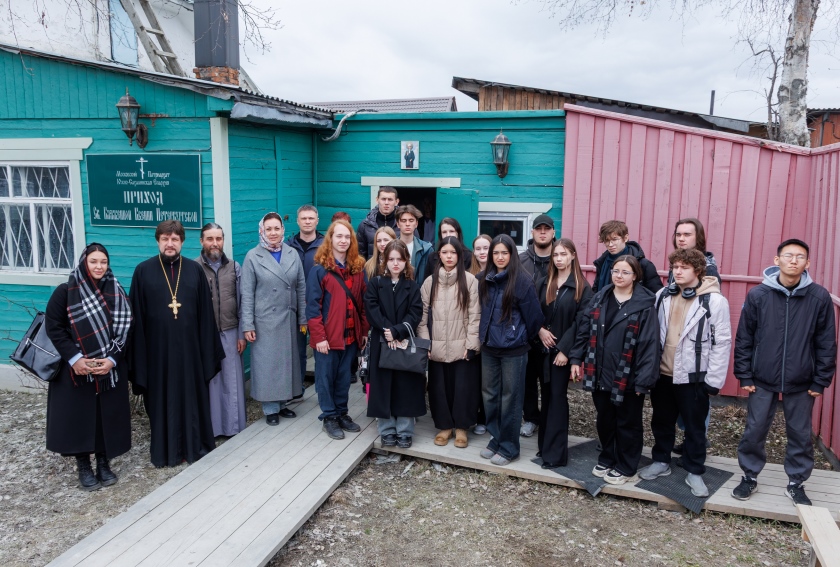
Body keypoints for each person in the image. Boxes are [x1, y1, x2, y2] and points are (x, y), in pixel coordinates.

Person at [732, 239, 836, 506]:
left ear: (807, 263)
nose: (794, 261)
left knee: (800, 433)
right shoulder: (758, 295)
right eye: (788, 256)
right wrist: (745, 374)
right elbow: (745, 337)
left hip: (802, 380)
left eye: (800, 257)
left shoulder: (818, 297)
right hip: (762, 378)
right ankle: (749, 476)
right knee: (754, 429)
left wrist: (820, 380)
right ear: (777, 260)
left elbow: (826, 342)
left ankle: (796, 483)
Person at [129, 220, 224, 467]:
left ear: (182, 242)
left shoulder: (194, 271)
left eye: (174, 239)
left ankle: (194, 448)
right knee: (162, 402)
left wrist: (206, 353)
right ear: (158, 241)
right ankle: (166, 452)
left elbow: (206, 316)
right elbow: (136, 317)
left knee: (192, 400)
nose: (169, 244)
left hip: (190, 352)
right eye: (165, 239)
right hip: (157, 354)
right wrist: (139, 358)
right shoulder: (143, 271)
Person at [638, 249, 732, 497]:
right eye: (675, 267)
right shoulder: (662, 295)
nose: (678, 272)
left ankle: (694, 470)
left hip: (694, 377)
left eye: (684, 267)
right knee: (661, 421)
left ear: (698, 270)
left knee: (695, 426)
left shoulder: (714, 301)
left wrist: (713, 380)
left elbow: (722, 342)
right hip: (663, 374)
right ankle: (661, 461)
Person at [44, 243, 132, 491]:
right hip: (77, 369)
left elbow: (126, 330)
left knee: (105, 417)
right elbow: (54, 327)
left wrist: (112, 359)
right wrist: (75, 359)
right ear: (84, 262)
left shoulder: (116, 291)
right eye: (93, 261)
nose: (99, 266)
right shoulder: (66, 291)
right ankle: (83, 466)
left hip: (108, 368)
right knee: (80, 417)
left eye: (103, 262)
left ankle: (103, 463)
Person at [570, 255, 659, 485]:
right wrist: (576, 358)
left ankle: (627, 466)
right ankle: (608, 457)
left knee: (628, 423)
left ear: (635, 276)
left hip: (628, 376)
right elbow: (584, 330)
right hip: (599, 371)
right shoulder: (600, 297)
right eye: (616, 271)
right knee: (605, 419)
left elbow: (649, 344)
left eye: (625, 272)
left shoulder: (644, 304)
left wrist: (644, 380)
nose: (619, 276)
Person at [478, 235, 544, 466]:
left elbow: (535, 319)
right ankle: (496, 438)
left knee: (511, 398)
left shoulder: (522, 281)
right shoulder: (484, 279)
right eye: (496, 253)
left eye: (504, 253)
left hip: (513, 350)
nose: (500, 257)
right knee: (490, 395)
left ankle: (509, 447)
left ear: (512, 254)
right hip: (489, 347)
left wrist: (517, 335)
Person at [241, 213, 307, 425]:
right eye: (268, 229)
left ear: (282, 230)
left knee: (286, 363)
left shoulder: (291, 253)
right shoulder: (253, 256)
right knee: (268, 365)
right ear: (262, 231)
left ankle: (283, 403)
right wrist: (247, 324)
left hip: (288, 318)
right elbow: (246, 294)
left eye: (276, 228)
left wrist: (303, 318)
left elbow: (301, 288)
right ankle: (270, 408)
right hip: (265, 321)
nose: (273, 233)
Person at [307, 220, 370, 440]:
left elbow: (364, 303)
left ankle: (342, 413)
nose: (343, 241)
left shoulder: (358, 269)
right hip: (327, 338)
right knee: (325, 378)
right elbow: (312, 308)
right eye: (339, 236)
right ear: (331, 239)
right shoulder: (319, 271)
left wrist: (363, 331)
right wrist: (319, 337)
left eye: (347, 237)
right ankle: (329, 417)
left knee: (344, 378)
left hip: (351, 336)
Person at [418, 237, 481, 448]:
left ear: (459, 255)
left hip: (461, 346)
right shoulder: (430, 282)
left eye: (453, 253)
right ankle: (444, 426)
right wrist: (425, 343)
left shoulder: (470, 281)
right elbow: (422, 317)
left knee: (463, 389)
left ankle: (462, 427)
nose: (449, 256)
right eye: (445, 252)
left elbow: (475, 316)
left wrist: (471, 345)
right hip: (436, 346)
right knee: (439, 389)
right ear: (439, 255)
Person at [536, 239, 592, 468]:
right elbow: (534, 311)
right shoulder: (544, 282)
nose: (559, 259)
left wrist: (566, 351)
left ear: (573, 256)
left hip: (561, 354)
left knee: (557, 399)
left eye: (563, 254)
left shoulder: (582, 287)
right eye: (555, 255)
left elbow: (582, 323)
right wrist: (539, 330)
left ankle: (555, 455)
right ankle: (544, 446)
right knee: (546, 397)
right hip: (542, 350)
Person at [365, 240, 426, 448]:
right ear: (384, 260)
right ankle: (387, 429)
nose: (395, 263)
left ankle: (405, 430)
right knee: (382, 387)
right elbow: (372, 310)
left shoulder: (412, 286)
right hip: (382, 342)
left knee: (405, 387)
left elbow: (415, 312)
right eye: (391, 259)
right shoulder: (376, 284)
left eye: (400, 259)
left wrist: (398, 331)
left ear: (406, 260)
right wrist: (387, 331)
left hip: (403, 341)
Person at [196, 223, 247, 437]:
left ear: (223, 240)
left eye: (218, 238)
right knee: (211, 381)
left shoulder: (234, 267)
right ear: (202, 241)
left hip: (231, 331)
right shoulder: (194, 268)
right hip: (204, 334)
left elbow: (243, 302)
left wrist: (242, 333)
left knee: (231, 380)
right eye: (210, 239)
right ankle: (212, 429)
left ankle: (233, 427)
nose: (214, 243)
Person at [519, 214, 556, 438]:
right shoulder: (521, 261)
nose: (543, 232)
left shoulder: (561, 258)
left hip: (554, 335)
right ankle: (531, 418)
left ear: (553, 232)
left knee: (551, 383)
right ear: (532, 232)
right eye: (538, 228)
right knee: (528, 381)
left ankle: (550, 421)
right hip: (527, 334)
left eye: (547, 229)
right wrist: (536, 328)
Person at [287, 205, 325, 395]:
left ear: (317, 220)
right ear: (298, 221)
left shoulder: (326, 245)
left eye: (311, 218)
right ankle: (297, 389)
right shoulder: (288, 246)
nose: (307, 221)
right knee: (297, 350)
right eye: (304, 218)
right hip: (294, 307)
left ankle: (323, 390)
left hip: (319, 306)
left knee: (322, 349)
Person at [592, 220, 662, 294]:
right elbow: (596, 290)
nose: (610, 244)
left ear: (625, 238)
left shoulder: (643, 264)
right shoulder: (602, 262)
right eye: (606, 240)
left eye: (614, 239)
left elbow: (656, 294)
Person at [468, 233, 493, 436]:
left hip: (492, 336)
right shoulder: (470, 276)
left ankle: (488, 418)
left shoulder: (498, 273)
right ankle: (477, 417)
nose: (482, 252)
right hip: (475, 334)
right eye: (478, 249)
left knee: (489, 381)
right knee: (476, 379)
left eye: (486, 248)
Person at [668, 218, 721, 284]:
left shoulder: (708, 269)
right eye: (678, 235)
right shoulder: (676, 263)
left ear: (698, 237)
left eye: (687, 235)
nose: (681, 239)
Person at [357, 187, 399, 259]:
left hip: (396, 265)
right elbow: (360, 254)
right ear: (377, 200)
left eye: (390, 199)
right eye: (383, 199)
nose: (386, 203)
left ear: (396, 202)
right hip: (372, 265)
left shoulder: (403, 224)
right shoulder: (365, 225)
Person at [395, 204, 433, 284]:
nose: (407, 224)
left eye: (411, 220)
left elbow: (432, 278)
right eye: (403, 220)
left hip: (419, 290)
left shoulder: (427, 249)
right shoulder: (391, 248)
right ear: (398, 224)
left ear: (416, 224)